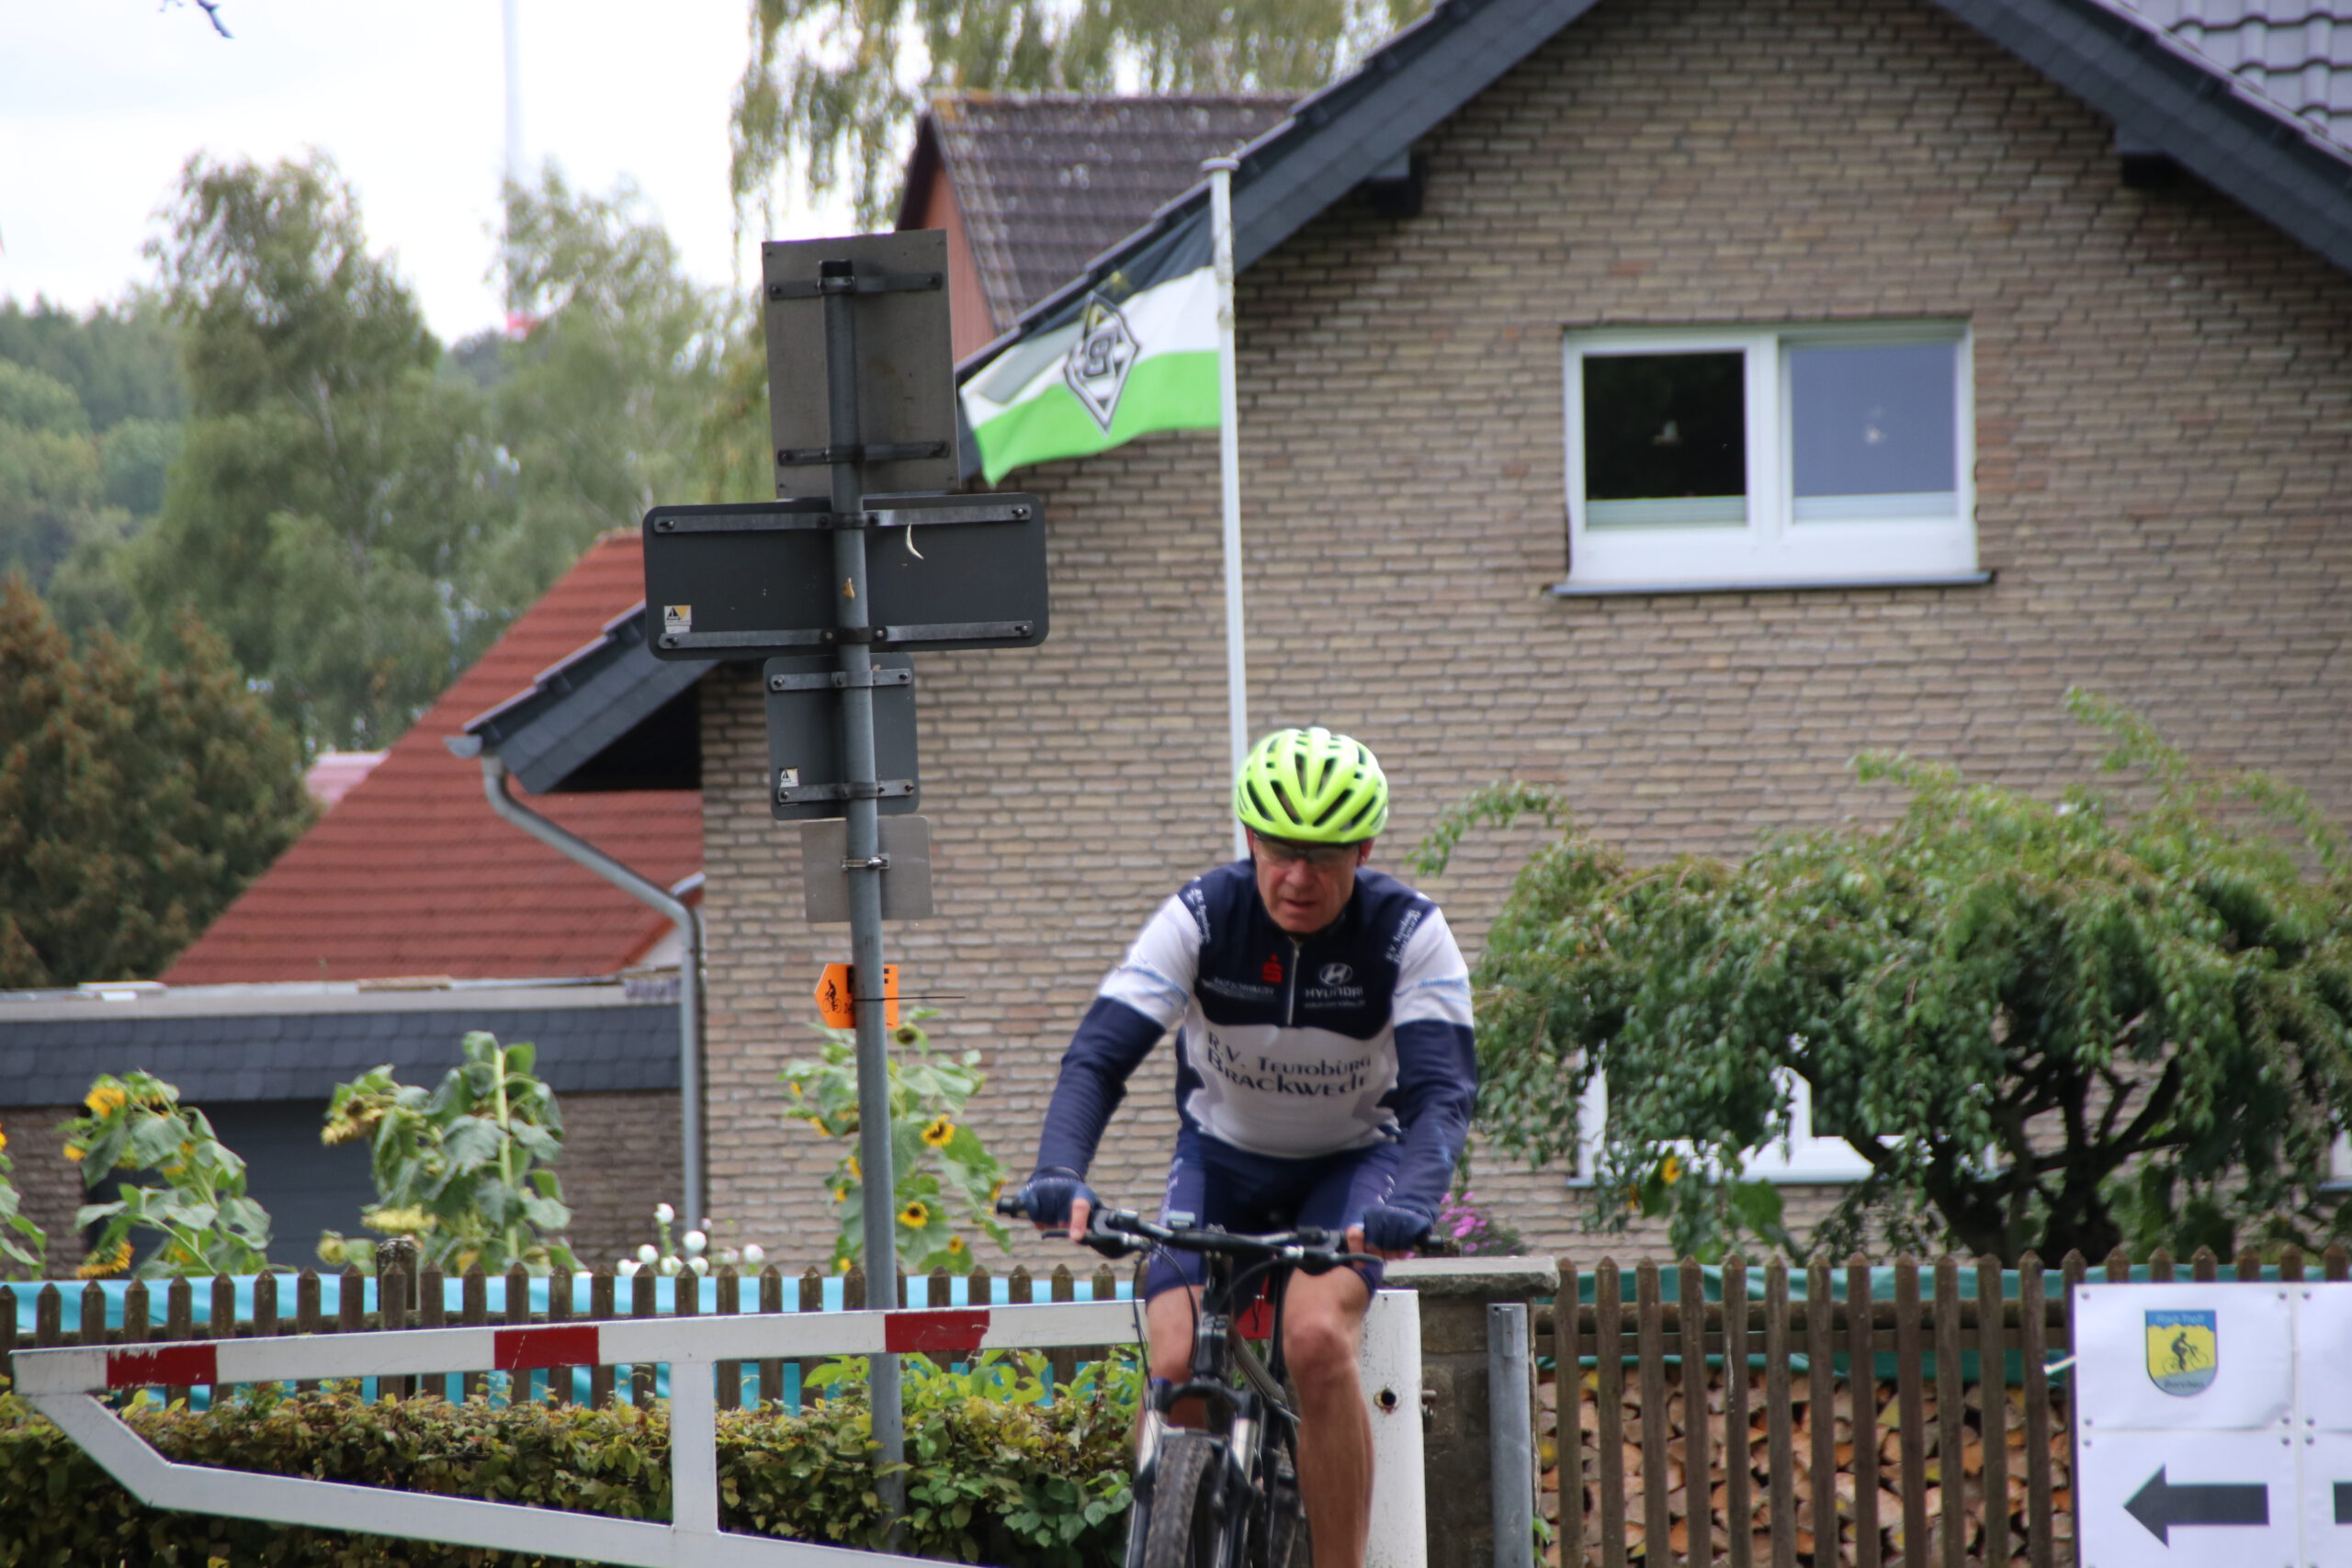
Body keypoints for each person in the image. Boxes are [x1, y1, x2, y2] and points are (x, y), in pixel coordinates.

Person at [1012, 726, 1477, 1568]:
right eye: (1280, 850)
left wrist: (1413, 1201)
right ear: (1251, 841)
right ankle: (1171, 1526)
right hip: (1220, 1161)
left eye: (1323, 856)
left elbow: (1441, 1092)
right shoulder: (1201, 916)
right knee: (1174, 1357)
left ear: (1363, 851)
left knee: (1315, 1339)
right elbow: (1098, 1057)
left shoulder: (1408, 933)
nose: (1298, 877)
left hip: (1350, 1166)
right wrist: (1059, 1170)